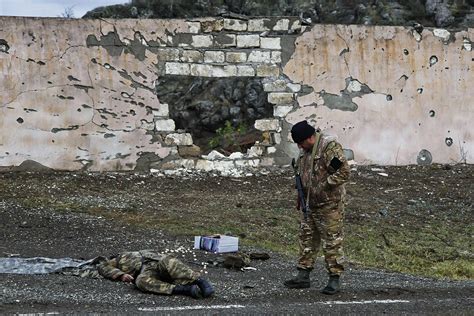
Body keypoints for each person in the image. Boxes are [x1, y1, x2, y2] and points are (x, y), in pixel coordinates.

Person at [284, 120, 350, 295]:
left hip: (329, 204)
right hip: (310, 203)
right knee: (307, 238)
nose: (299, 146)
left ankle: (334, 278)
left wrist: (324, 186)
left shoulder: (329, 148)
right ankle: (303, 275)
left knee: (332, 241)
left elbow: (343, 171)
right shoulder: (304, 151)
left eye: (301, 142)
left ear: (311, 137)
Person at [98, 250, 214, 299]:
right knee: (140, 281)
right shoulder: (116, 261)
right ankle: (184, 290)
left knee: (168, 260)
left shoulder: (135, 252)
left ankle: (200, 281)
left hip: (158, 263)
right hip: (146, 272)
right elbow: (103, 266)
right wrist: (121, 275)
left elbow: (162, 257)